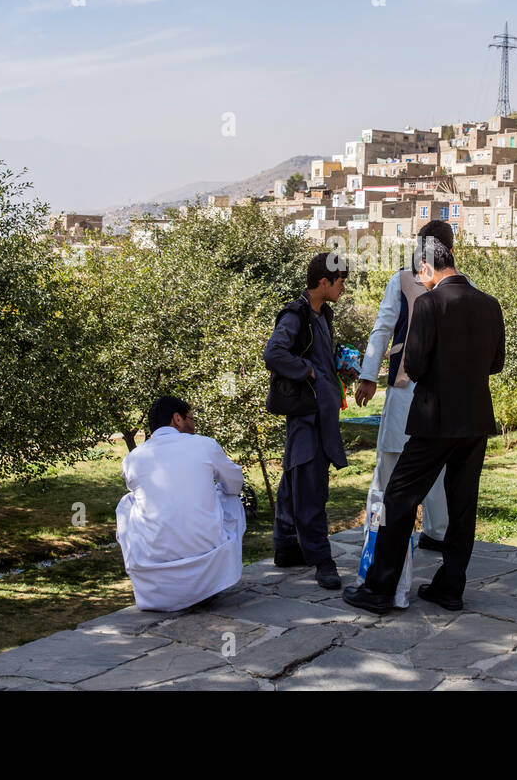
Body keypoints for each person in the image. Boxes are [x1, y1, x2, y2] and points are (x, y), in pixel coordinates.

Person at [343, 233, 505, 614]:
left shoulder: (430, 304)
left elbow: (413, 365)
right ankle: (450, 587)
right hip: (476, 419)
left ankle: (379, 589)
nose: (422, 280)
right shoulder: (490, 304)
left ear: (429, 267)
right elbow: (496, 364)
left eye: (422, 274)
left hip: (434, 418)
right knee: (463, 506)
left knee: (399, 498)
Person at [354, 220, 453, 552]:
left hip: (406, 388)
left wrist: (369, 376)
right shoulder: (462, 285)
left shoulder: (402, 279)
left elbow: (382, 329)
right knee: (435, 465)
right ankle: (438, 533)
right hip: (442, 395)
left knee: (389, 465)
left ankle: (377, 529)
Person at [262, 251, 350, 589]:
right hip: (307, 415)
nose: (344, 287)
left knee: (294, 478)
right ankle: (321, 560)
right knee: (310, 485)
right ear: (324, 282)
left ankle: (286, 548)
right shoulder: (295, 314)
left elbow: (317, 357)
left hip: (321, 415)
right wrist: (308, 370)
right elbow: (274, 353)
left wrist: (334, 366)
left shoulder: (321, 314)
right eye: (341, 281)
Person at [115, 395, 246, 612]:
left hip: (156, 580)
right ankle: (215, 568)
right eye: (191, 419)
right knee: (228, 494)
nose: (194, 426)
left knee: (128, 503)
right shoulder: (205, 445)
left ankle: (156, 571)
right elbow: (235, 484)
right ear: (177, 419)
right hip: (210, 567)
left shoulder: (133, 458)